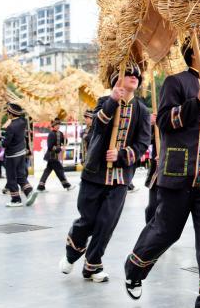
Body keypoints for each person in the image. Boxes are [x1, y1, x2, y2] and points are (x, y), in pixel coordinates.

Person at [125, 29, 200, 308]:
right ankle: (135, 267)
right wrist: (196, 103)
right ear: (194, 54)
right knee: (166, 231)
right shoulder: (176, 83)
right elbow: (164, 121)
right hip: (178, 175)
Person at [61, 65, 150, 282]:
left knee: (107, 222)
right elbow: (98, 128)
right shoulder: (103, 102)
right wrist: (112, 101)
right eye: (128, 74)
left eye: (136, 75)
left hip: (120, 178)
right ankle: (73, 252)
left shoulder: (142, 110)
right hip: (95, 173)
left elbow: (142, 143)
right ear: (116, 80)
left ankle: (92, 265)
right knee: (88, 220)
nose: (134, 78)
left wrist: (120, 155)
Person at [3, 103, 38, 208]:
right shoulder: (23, 122)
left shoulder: (11, 126)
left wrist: (1, 142)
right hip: (21, 153)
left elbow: (6, 143)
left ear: (11, 114)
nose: (7, 114)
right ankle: (29, 192)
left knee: (11, 178)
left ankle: (16, 200)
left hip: (12, 155)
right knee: (20, 175)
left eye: (8, 112)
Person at [38, 119, 74, 192]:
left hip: (55, 156)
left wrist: (65, 138)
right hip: (51, 156)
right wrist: (59, 148)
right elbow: (50, 146)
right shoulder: (51, 134)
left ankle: (40, 186)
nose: (58, 126)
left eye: (59, 125)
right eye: (56, 125)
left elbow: (64, 142)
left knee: (47, 171)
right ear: (53, 126)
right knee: (59, 170)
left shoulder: (60, 133)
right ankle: (67, 185)